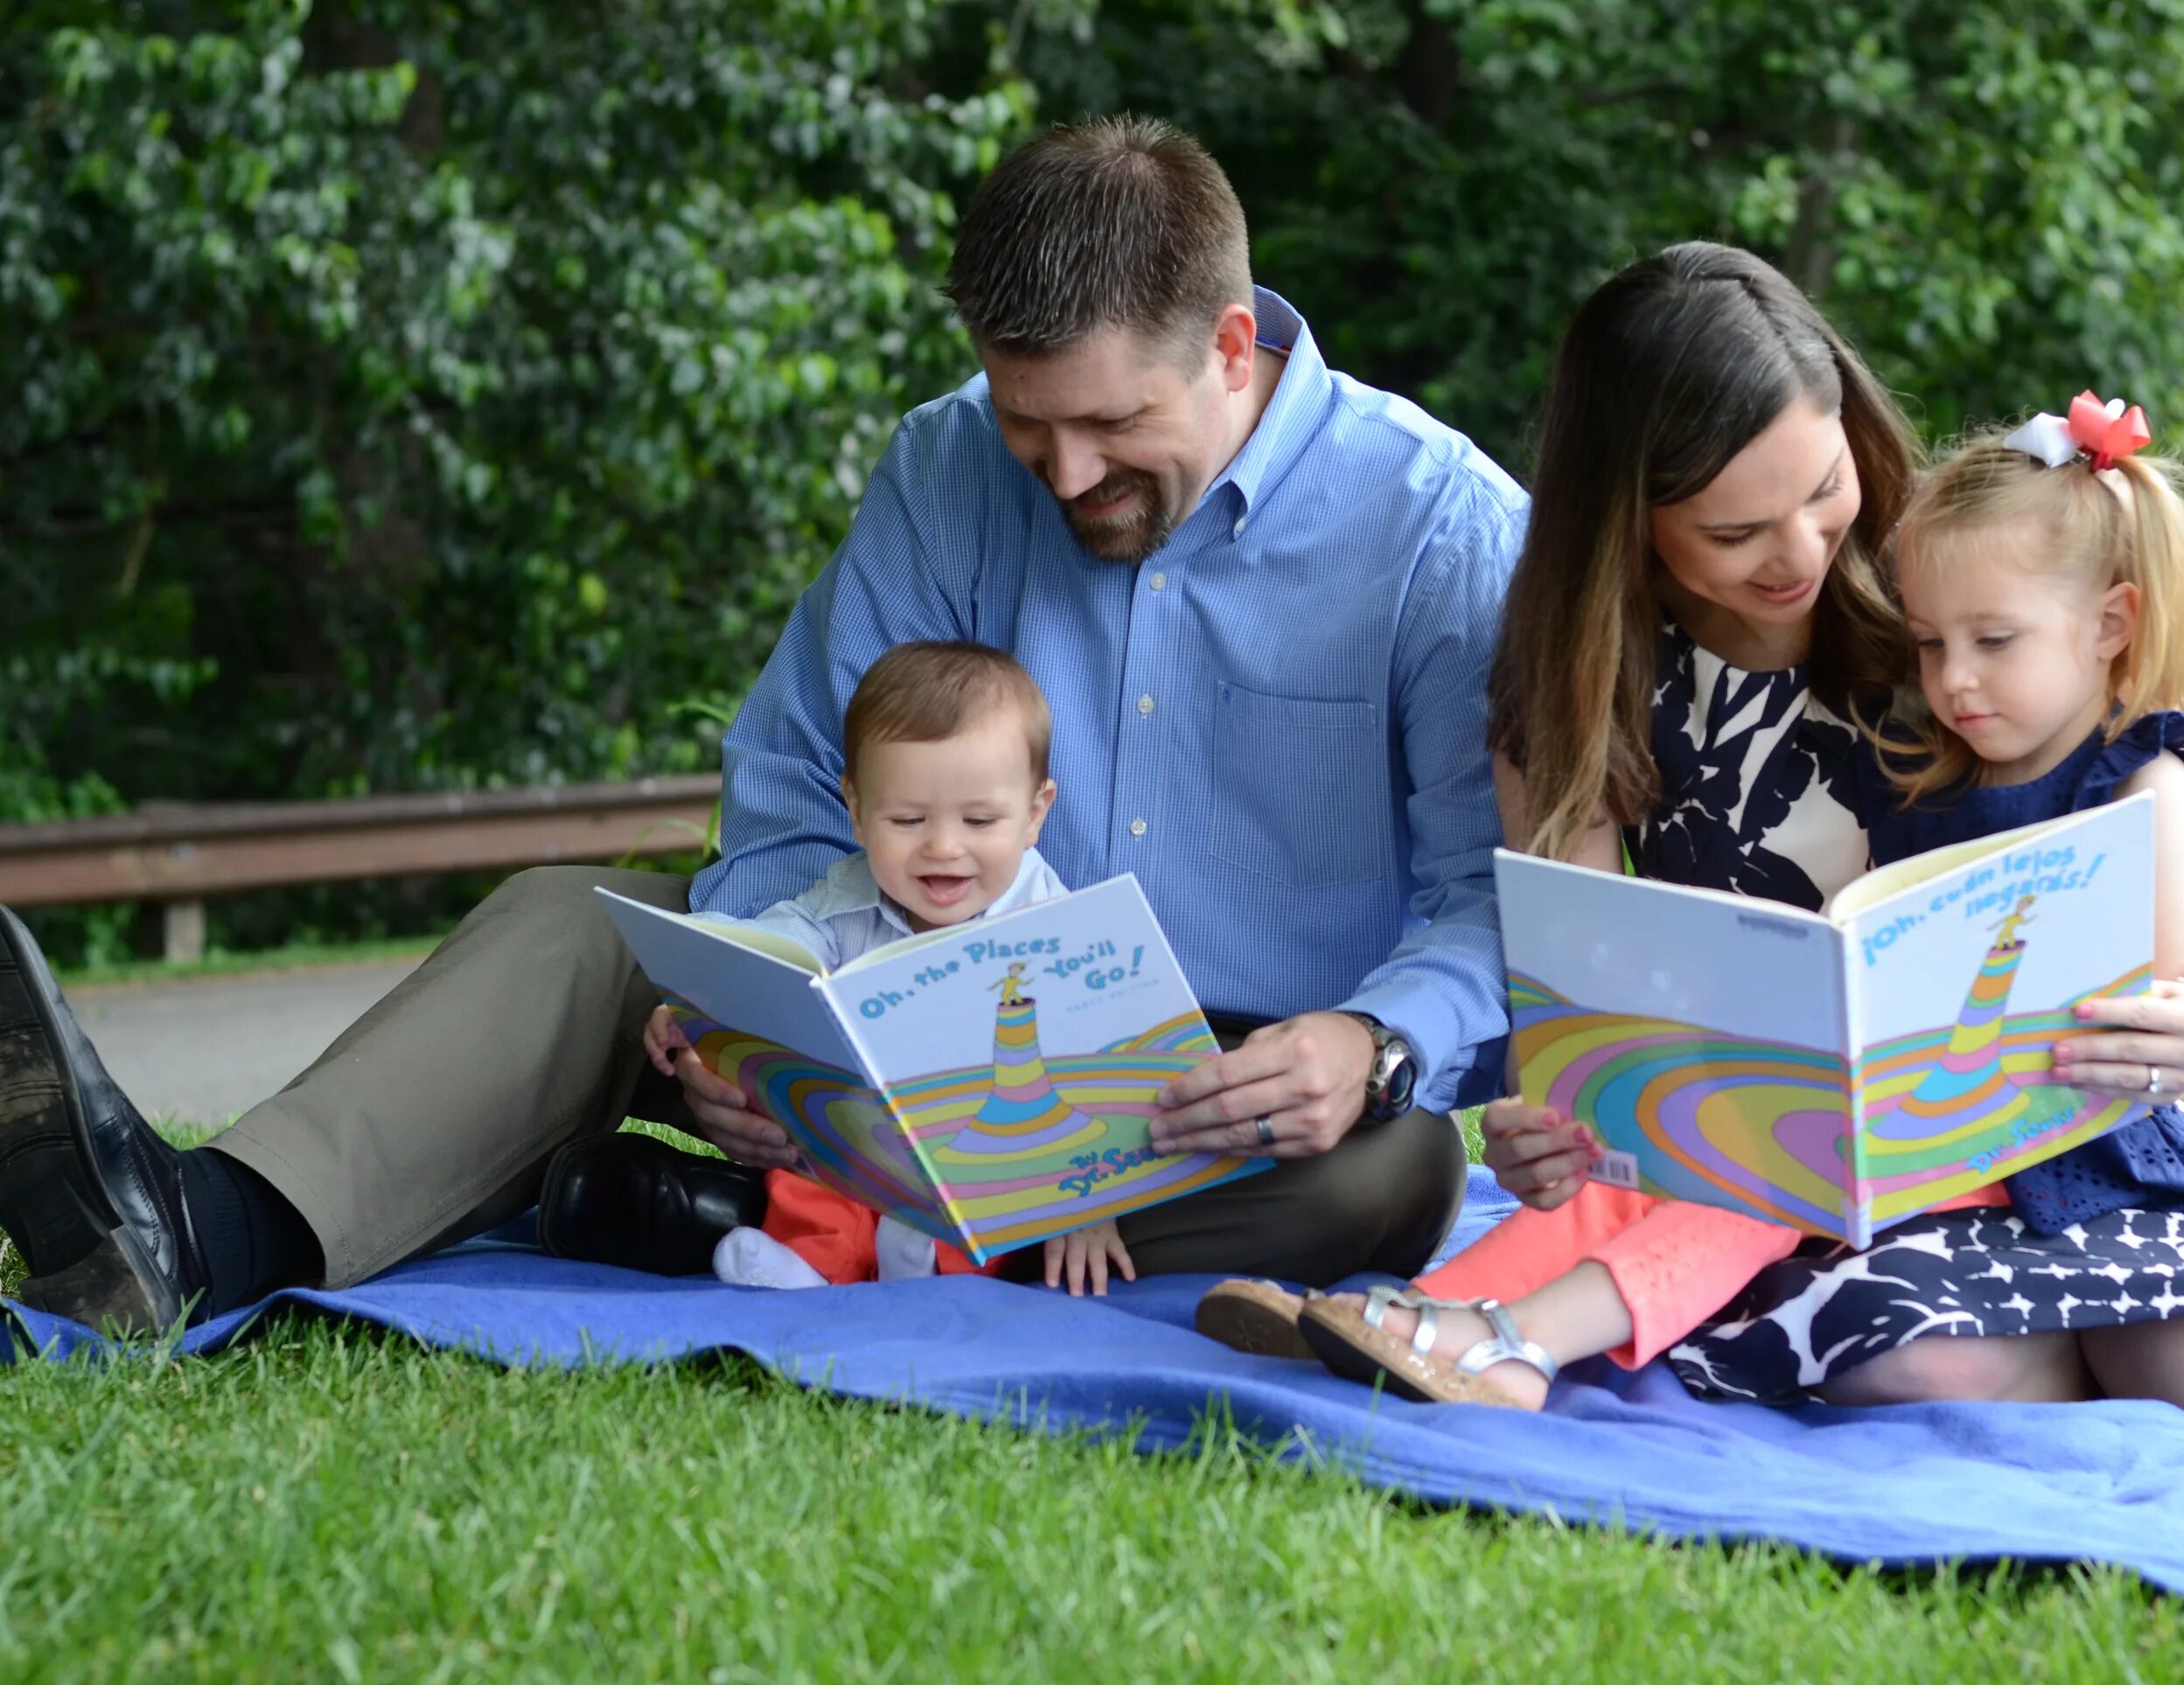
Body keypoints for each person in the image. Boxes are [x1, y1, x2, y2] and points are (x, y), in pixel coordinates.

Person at [0, 115, 1520, 1333]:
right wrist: (758, 1013)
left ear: (1234, 345)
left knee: (1391, 1164)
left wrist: (1375, 1040)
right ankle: (196, 1231)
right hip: (892, 1020)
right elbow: (795, 779)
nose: (1059, 476)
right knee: (573, 924)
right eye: (1023, 422)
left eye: (1112, 428)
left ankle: (741, 1227)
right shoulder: (942, 467)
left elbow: (1485, 899)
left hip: (1220, 1094)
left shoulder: (1440, 527)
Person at [1307, 368, 2184, 1427]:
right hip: (1893, 1169)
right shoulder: (1868, 720)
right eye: (1936, 645)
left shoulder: (2082, 711)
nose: (1947, 674)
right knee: (1885, 1345)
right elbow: (1589, 978)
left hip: (2090, 1167)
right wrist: (1576, 1098)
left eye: (1821, 493)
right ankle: (1494, 1320)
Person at [641, 638, 1134, 1298]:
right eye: (907, 819)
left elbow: (1105, 1077)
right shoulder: (843, 900)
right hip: (862, 1140)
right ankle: (815, 1261)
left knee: (1008, 1166)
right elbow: (765, 953)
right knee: (810, 1138)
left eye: (980, 819)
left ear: (1035, 813)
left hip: (985, 1147)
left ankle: (932, 1268)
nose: (943, 847)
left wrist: (1089, 1202)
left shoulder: (1055, 926)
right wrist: (697, 1003)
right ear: (855, 808)